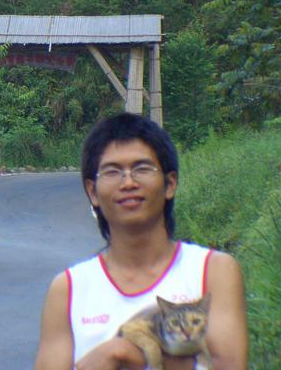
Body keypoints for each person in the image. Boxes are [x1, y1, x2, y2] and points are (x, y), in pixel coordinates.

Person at [33, 113, 247, 370]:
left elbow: (228, 364)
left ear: (170, 184)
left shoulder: (212, 271)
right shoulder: (68, 289)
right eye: (112, 171)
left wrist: (123, 353)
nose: (128, 182)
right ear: (92, 192)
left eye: (142, 168)